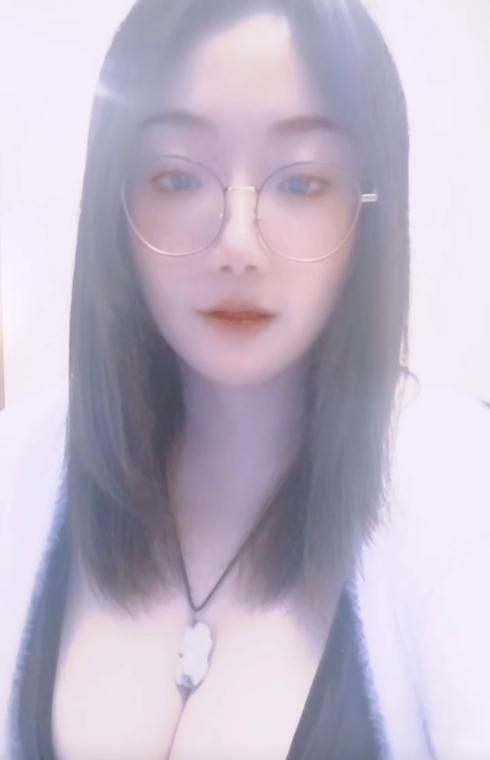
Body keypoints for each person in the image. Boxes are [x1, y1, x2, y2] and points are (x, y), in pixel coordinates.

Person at [1, 0, 489, 758]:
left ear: (368, 207)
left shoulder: (459, 490)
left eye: (301, 184)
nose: (237, 243)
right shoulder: (22, 470)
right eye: (176, 177)